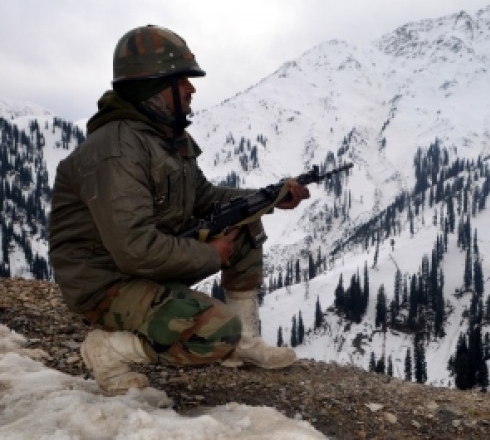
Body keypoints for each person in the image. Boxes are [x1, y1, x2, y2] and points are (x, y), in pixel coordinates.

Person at [48, 25, 310, 396]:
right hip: (106, 283)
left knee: (244, 222)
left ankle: (245, 342)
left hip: (145, 266)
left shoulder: (167, 138)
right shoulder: (117, 150)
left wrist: (269, 198)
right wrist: (211, 254)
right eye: (182, 80)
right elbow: (135, 248)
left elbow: (204, 196)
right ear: (154, 88)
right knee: (216, 330)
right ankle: (110, 349)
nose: (191, 89)